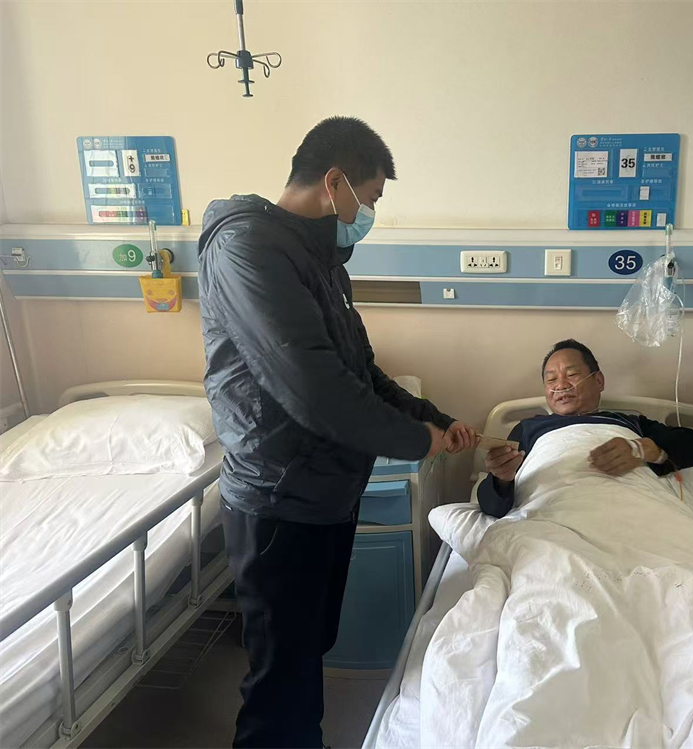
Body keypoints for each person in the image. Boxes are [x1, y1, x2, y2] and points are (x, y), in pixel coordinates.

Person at [198, 116, 476, 749]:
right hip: (278, 497)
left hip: (326, 491)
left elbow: (360, 370)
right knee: (280, 674)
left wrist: (432, 417)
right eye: (370, 198)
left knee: (307, 647)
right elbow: (314, 389)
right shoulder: (246, 249)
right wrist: (418, 442)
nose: (368, 214)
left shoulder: (320, 261)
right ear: (334, 183)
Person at [478, 339, 693, 518]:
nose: (561, 385)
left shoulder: (629, 422)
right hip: (554, 511)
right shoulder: (529, 428)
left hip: (635, 509)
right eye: (551, 380)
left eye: (572, 374)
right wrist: (502, 480)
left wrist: (641, 449)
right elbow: (491, 507)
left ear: (598, 381)